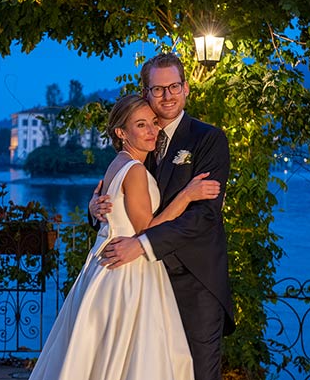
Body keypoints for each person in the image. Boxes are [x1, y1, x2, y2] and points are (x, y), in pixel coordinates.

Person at [29, 94, 221, 380]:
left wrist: (93, 209)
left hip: (103, 266)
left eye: (153, 124)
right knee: (138, 356)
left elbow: (110, 205)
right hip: (128, 270)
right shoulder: (134, 170)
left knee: (101, 353)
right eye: (141, 125)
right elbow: (147, 228)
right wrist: (187, 195)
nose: (152, 131)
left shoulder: (117, 163)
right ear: (121, 132)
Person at [92, 53, 235, 380]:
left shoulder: (208, 139)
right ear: (145, 93)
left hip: (194, 281)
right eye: (158, 89)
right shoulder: (139, 136)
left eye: (173, 87)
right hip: (142, 283)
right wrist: (95, 208)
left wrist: (142, 244)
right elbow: (116, 192)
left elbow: (204, 217)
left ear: (186, 89)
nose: (167, 96)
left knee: (196, 373)